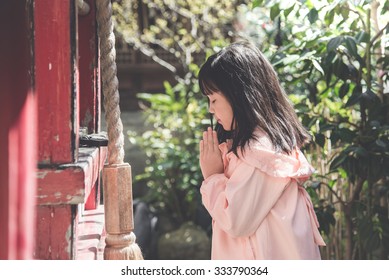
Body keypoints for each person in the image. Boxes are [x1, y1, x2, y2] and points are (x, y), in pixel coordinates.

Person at [198, 41, 326, 260]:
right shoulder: (262, 146)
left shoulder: (259, 153)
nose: (210, 109)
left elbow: (235, 221)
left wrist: (212, 177)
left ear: (238, 95)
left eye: (214, 99)